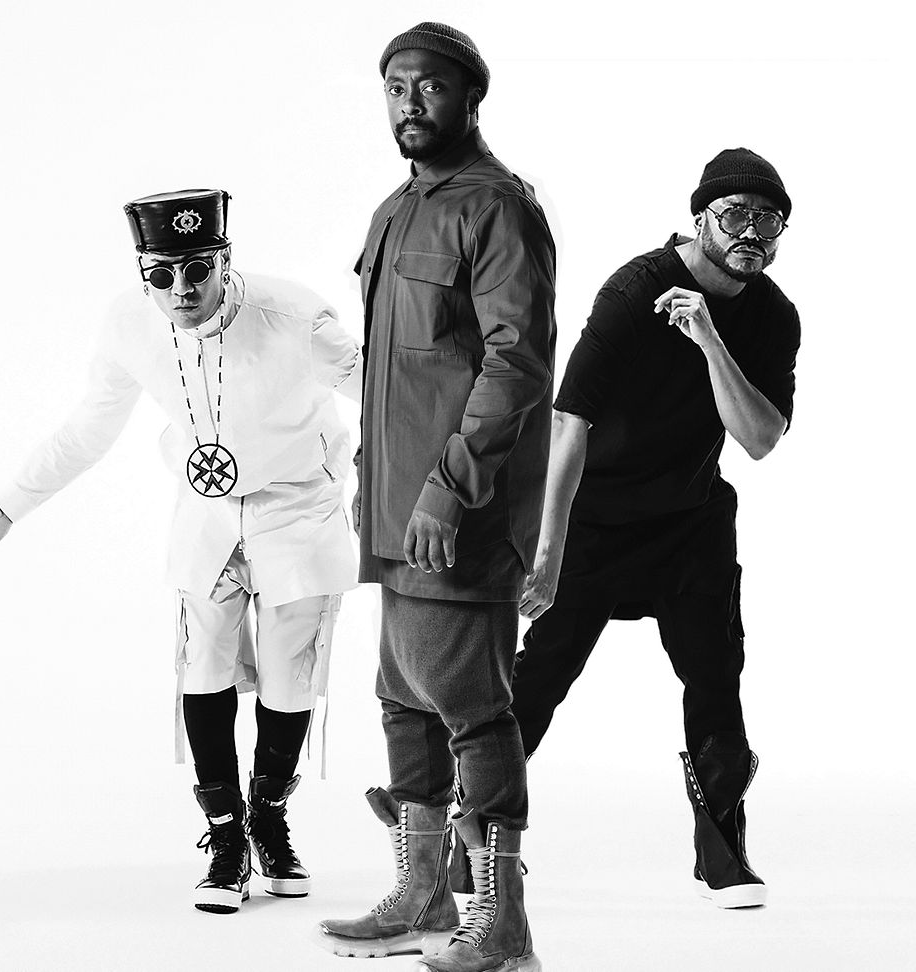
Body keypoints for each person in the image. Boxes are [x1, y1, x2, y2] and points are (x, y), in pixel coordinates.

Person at [0, 189, 361, 915]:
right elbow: (89, 427)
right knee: (204, 664)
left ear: (225, 260)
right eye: (161, 276)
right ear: (143, 275)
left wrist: (391, 472)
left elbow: (387, 394)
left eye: (197, 271)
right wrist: (10, 503)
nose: (180, 290)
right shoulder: (130, 324)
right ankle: (225, 836)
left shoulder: (295, 317)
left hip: (298, 508)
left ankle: (270, 821)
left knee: (291, 673)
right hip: (209, 508)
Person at [315, 23, 554, 972]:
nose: (409, 103)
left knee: (471, 706)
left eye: (430, 87)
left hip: (459, 512)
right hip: (393, 509)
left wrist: (449, 491)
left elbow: (516, 364)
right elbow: (392, 371)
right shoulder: (395, 210)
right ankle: (423, 893)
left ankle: (504, 922)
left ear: (471, 98)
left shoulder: (497, 209)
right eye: (395, 87)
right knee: (403, 698)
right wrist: (372, 482)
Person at [509, 148, 801, 909]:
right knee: (540, 678)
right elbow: (569, 421)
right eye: (735, 215)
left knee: (716, 678)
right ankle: (466, 832)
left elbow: (760, 438)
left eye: (770, 220)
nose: (752, 232)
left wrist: (710, 338)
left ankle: (722, 854)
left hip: (689, 521)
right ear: (699, 218)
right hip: (595, 519)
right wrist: (548, 552)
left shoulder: (773, 315)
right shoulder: (635, 290)